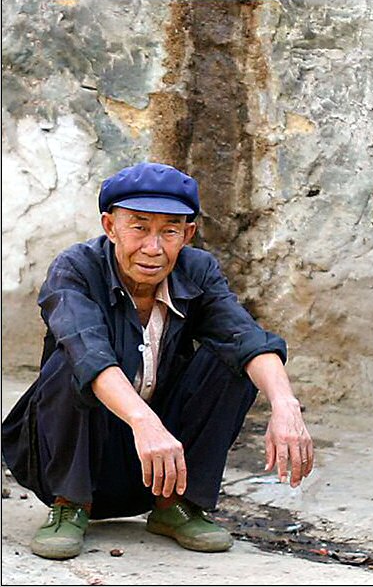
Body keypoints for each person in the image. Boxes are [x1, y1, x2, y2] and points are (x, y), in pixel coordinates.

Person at [1, 162, 314, 560]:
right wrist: (144, 423)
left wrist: (285, 405)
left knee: (234, 361)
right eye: (139, 227)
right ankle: (69, 505)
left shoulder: (198, 270)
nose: (153, 247)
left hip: (163, 462)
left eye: (169, 231)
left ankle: (175, 506)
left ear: (187, 234)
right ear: (110, 227)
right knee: (71, 362)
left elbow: (245, 337)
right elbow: (88, 351)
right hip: (81, 453)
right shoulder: (76, 268)